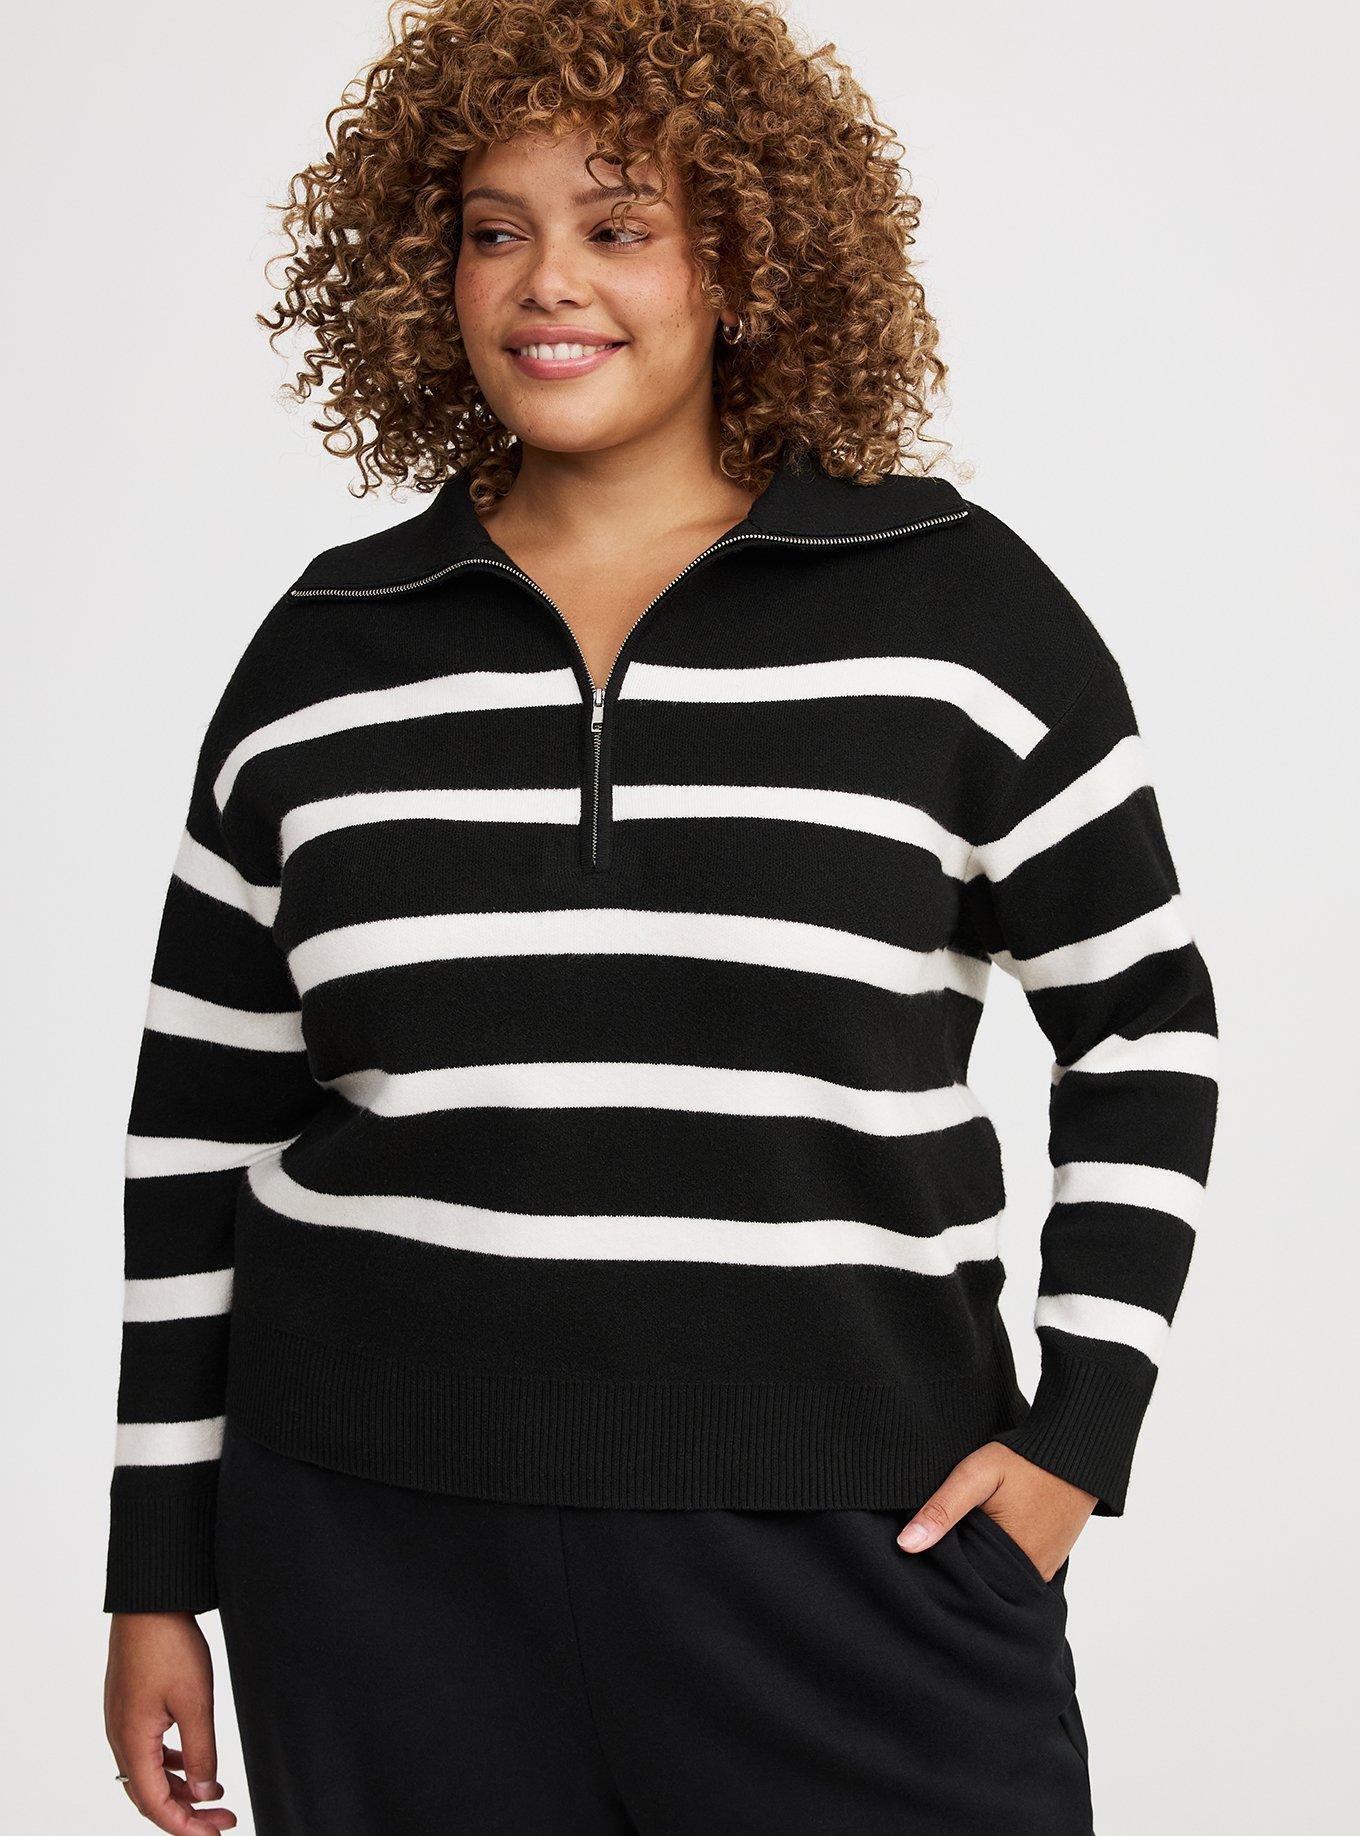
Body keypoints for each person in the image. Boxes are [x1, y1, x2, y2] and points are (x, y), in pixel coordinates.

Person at [101, 2, 1219, 1831]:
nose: (548, 281)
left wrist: (1077, 1440)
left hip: (856, 1559)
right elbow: (195, 1130)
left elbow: (1147, 1027)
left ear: (748, 257)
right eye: (495, 228)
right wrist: (158, 1569)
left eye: (619, 224)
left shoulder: (958, 614)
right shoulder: (326, 652)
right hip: (377, 1570)